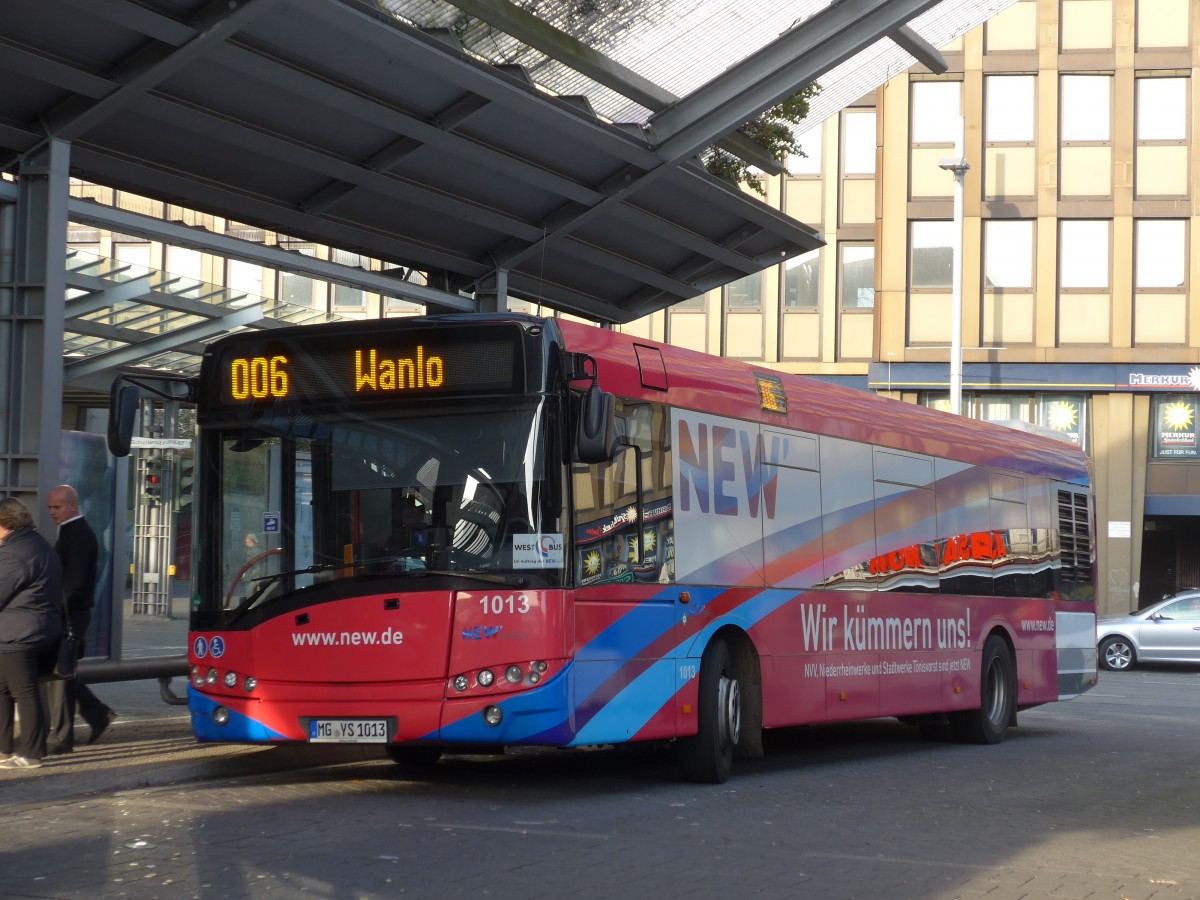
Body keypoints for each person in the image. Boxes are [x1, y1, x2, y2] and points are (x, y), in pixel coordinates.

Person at [42, 485, 116, 753]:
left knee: (60, 675)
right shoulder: (72, 532)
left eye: (56, 507)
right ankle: (98, 715)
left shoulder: (79, 535)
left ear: (72, 506)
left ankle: (62, 739)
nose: (51, 512)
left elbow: (72, 585)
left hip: (69, 616)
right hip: (69, 613)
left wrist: (50, 609)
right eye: (50, 507)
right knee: (63, 672)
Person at [0, 497, 63, 770]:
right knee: (3, 690)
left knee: (24, 693)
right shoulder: (38, 545)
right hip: (31, 628)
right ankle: (3, 750)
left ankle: (31, 752)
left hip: (18, 634)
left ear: (5, 525)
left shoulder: (15, 554)